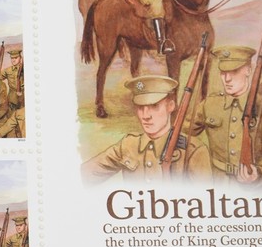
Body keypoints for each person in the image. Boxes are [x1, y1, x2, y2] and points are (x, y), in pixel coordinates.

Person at [81, 75, 210, 182]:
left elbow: (203, 198)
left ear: (170, 106)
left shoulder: (192, 151)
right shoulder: (128, 145)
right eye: (140, 107)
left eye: (154, 106)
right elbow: (83, 176)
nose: (145, 115)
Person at [190, 46, 262, 184]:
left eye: (234, 71)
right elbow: (183, 133)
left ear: (249, 70)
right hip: (217, 183)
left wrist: (258, 174)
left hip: (253, 189)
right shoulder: (209, 104)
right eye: (223, 72)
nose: (227, 79)